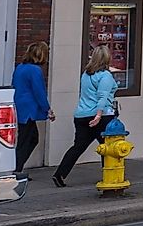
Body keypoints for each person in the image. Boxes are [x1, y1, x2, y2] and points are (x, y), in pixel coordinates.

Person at [52, 46, 118, 188]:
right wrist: (99, 115)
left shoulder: (86, 74)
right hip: (101, 116)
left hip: (81, 115)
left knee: (78, 146)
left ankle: (60, 174)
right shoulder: (105, 76)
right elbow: (102, 96)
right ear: (107, 58)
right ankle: (109, 175)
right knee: (108, 148)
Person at [11, 41, 53, 174]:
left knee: (29, 138)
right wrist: (47, 109)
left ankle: (18, 167)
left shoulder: (20, 67)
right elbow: (39, 91)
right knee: (27, 140)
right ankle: (16, 169)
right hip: (29, 108)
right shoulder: (35, 70)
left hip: (20, 106)